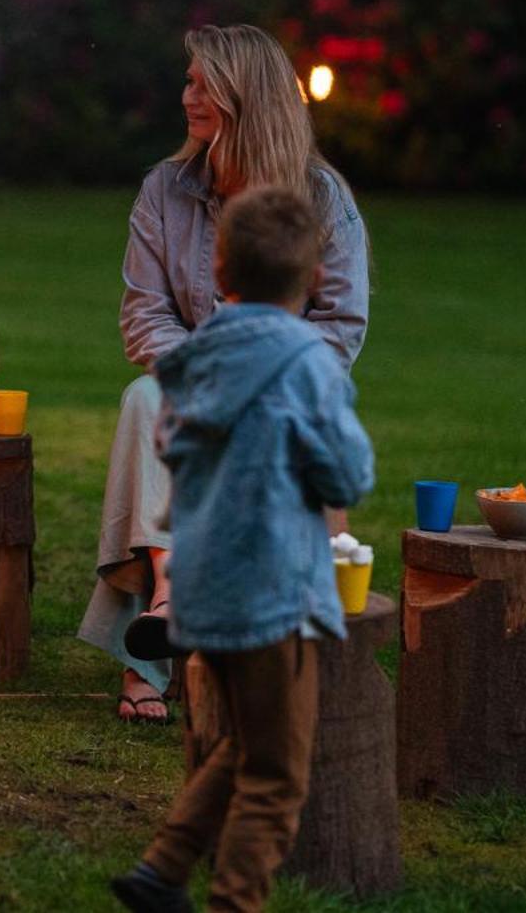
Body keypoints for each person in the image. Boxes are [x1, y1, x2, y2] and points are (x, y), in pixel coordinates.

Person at [79, 25, 369, 725]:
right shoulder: (165, 190)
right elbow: (145, 315)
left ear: (247, 98)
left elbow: (340, 324)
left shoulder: (320, 199)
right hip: (190, 384)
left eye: (202, 87)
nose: (187, 98)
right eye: (187, 82)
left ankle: (156, 643)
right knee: (148, 392)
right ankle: (168, 601)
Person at [109, 186, 376, 913]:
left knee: (243, 740)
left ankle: (162, 870)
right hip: (275, 598)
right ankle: (235, 900)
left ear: (219, 266)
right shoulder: (310, 367)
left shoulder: (193, 357)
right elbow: (347, 473)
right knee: (278, 775)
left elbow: (170, 443)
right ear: (315, 277)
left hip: (201, 594)